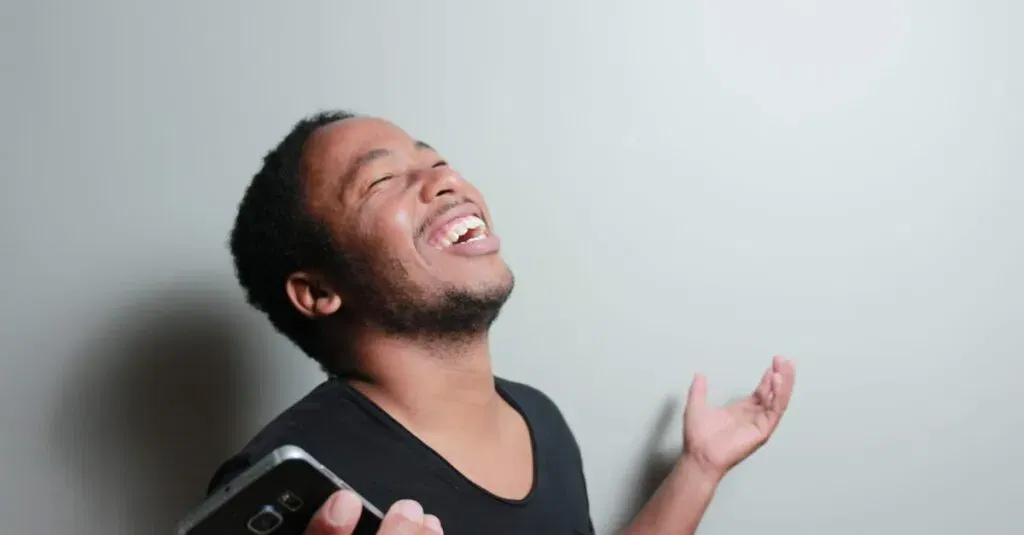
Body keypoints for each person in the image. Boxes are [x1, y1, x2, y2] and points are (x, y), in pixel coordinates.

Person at [211, 110, 797, 535]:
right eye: (383, 180)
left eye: (437, 162)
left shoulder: (539, 419)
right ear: (317, 291)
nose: (447, 181)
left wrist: (698, 470)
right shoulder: (289, 486)